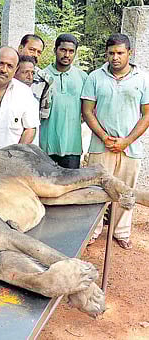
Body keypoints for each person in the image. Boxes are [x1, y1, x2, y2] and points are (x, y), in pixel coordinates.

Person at [81, 33, 149, 250]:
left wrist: (126, 141)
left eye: (120, 53)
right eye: (111, 53)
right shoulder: (94, 77)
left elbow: (147, 114)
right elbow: (87, 111)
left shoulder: (143, 78)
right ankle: (93, 231)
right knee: (96, 189)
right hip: (101, 145)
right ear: (106, 54)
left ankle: (121, 232)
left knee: (126, 190)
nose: (115, 57)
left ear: (130, 53)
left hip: (130, 148)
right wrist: (104, 137)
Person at [40, 33, 88, 169]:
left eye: (71, 51)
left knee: (70, 188)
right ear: (55, 50)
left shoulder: (83, 77)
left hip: (72, 146)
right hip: (45, 145)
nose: (67, 55)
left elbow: (88, 110)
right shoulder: (42, 76)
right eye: (63, 50)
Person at [18, 34, 53, 120]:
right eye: (32, 50)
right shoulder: (6, 72)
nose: (35, 55)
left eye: (39, 52)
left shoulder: (44, 80)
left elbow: (44, 114)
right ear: (20, 48)